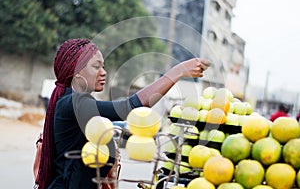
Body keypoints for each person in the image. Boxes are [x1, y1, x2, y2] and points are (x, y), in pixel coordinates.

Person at [34, 38, 210, 189]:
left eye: (103, 66)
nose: (104, 72)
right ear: (77, 72)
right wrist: (178, 71)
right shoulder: (75, 102)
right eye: (96, 66)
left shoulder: (70, 100)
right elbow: (129, 108)